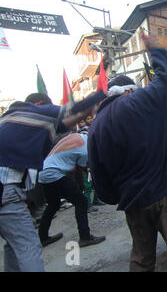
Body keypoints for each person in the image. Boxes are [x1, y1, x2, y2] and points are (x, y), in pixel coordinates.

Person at [88, 33, 167, 272]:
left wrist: (117, 196)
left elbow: (97, 172)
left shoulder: (96, 125)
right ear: (130, 90)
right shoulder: (140, 101)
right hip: (162, 193)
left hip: (132, 201)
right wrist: (156, 51)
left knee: (141, 256)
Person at [0, 91, 103, 272]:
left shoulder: (9, 122)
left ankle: (45, 235)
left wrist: (85, 114)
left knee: (14, 243)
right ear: (39, 104)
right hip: (10, 189)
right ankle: (84, 235)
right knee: (29, 246)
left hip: (28, 183)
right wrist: (100, 95)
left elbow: (62, 125)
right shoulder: (33, 112)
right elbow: (73, 109)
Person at [38, 133, 106, 247]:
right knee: (81, 202)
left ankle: (43, 237)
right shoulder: (86, 149)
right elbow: (80, 168)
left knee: (53, 205)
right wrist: (81, 185)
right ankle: (85, 237)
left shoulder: (79, 137)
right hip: (55, 174)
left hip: (44, 172)